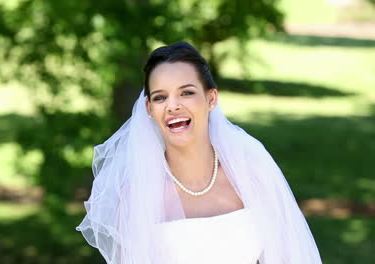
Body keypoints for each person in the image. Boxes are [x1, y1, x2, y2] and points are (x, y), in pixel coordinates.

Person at [76, 42, 322, 264]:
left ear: (211, 98)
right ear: (149, 108)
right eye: (161, 97)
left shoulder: (252, 175)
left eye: (186, 92)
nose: (173, 106)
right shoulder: (137, 196)